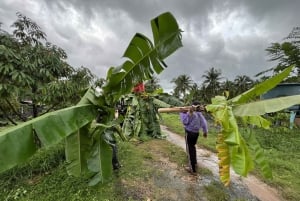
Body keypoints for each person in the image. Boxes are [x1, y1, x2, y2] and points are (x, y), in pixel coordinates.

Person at [180, 100, 208, 175]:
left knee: (190, 149)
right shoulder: (199, 114)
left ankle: (192, 169)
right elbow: (204, 123)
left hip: (189, 133)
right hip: (196, 134)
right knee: (193, 147)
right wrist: (205, 132)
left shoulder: (186, 112)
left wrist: (189, 113)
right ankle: (194, 162)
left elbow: (185, 122)